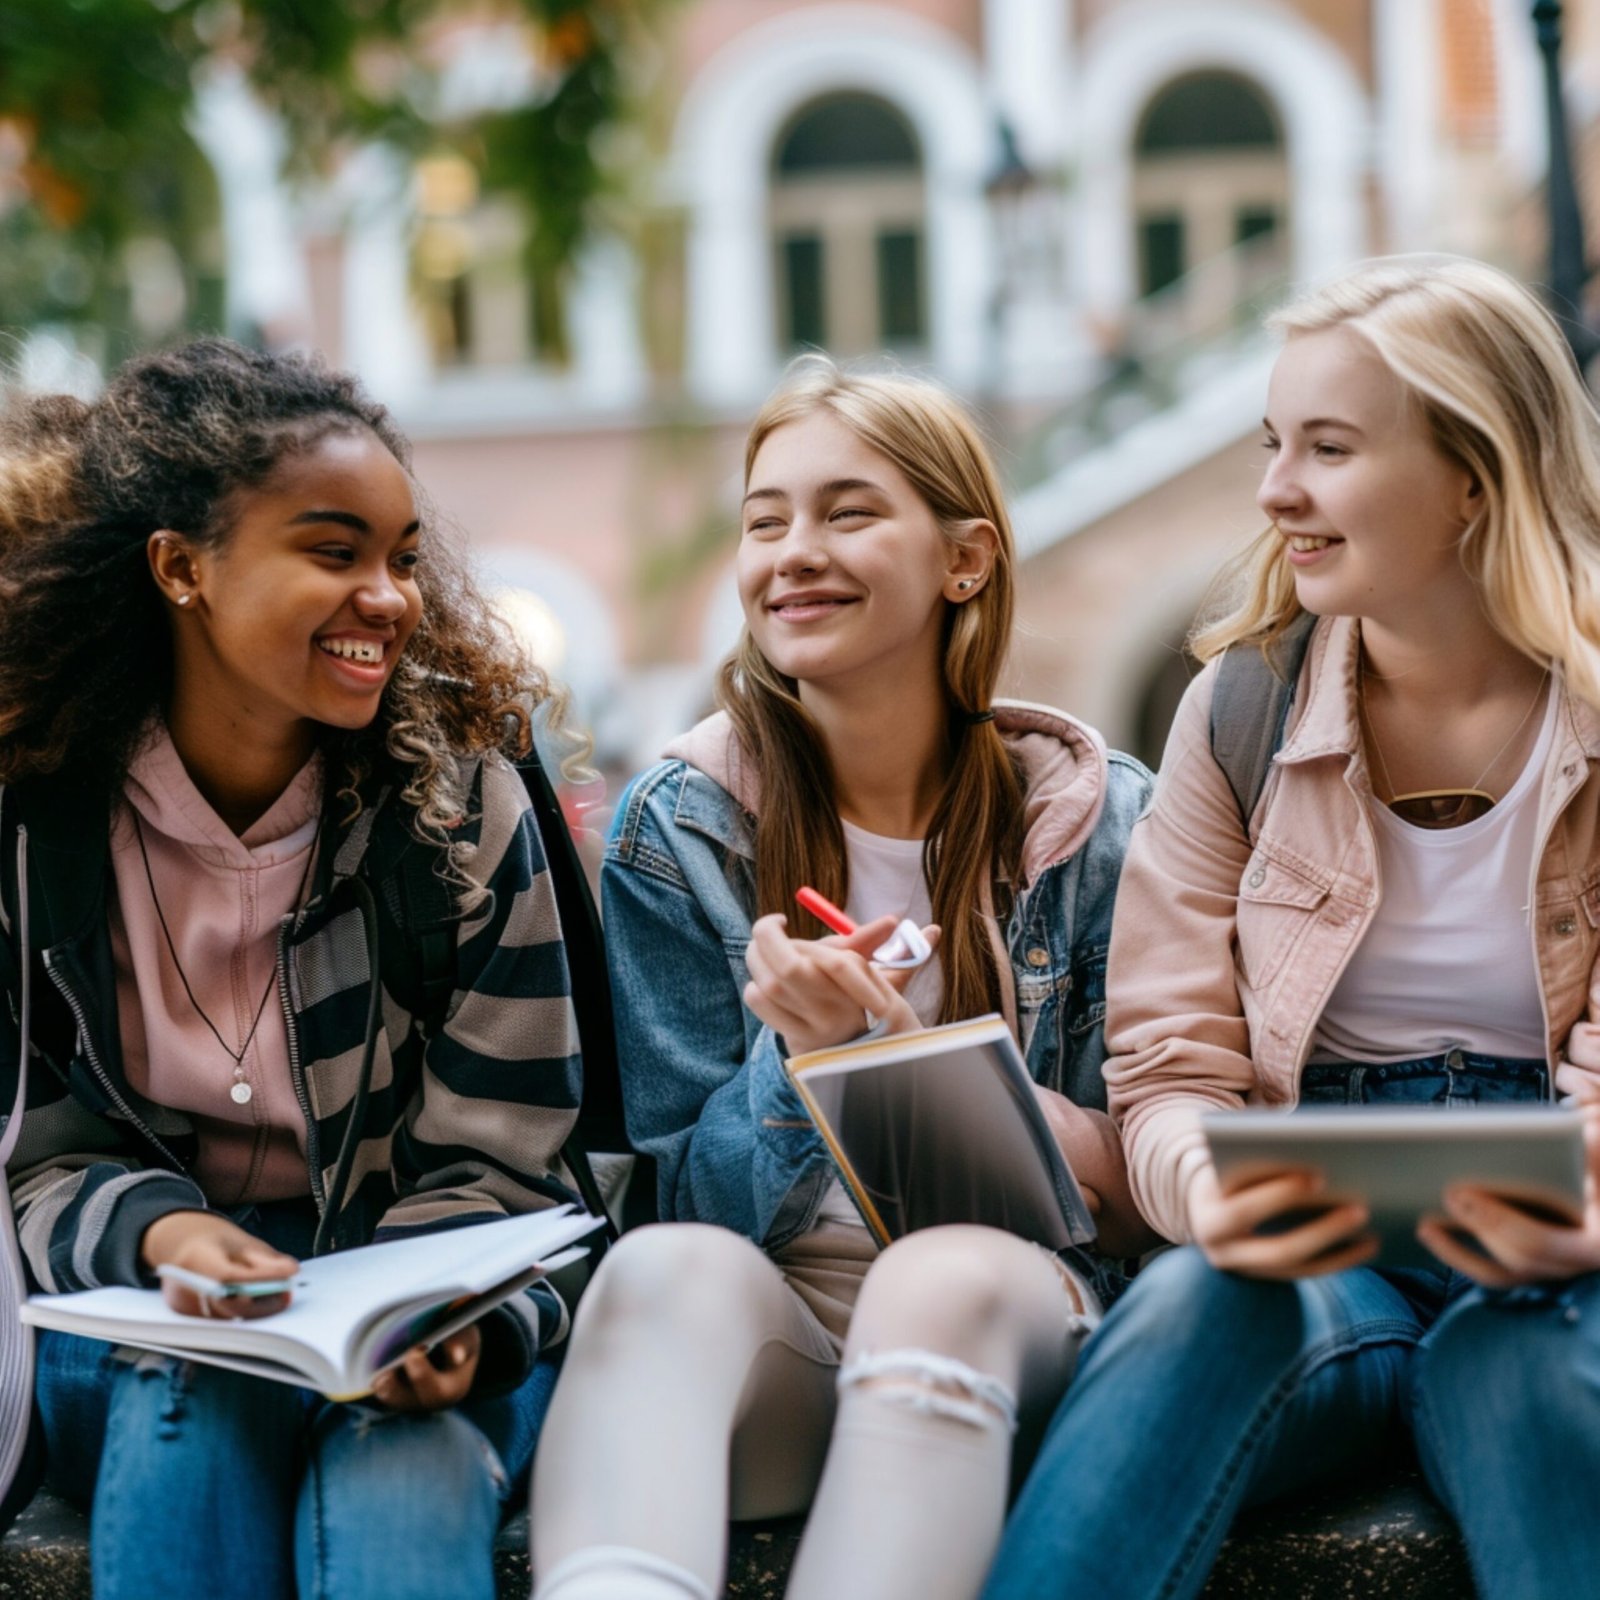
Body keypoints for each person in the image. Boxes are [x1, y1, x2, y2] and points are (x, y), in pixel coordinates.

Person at [983, 256, 1600, 1600]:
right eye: (1275, 444)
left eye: (1328, 448)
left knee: (1531, 1370)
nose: (1276, 491)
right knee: (1198, 1303)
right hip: (1328, 1250)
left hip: (1566, 1251)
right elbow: (1169, 1068)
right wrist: (1212, 1192)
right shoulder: (1241, 710)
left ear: (1475, 479)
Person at [530, 358, 1156, 1600]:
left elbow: (1147, 1184)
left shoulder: (1098, 820)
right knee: (654, 1274)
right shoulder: (683, 827)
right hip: (788, 1342)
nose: (791, 554)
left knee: (938, 1278)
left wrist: (933, 1089)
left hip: (1023, 1327)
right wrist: (800, 1065)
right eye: (766, 522)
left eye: (848, 512)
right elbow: (685, 1207)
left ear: (964, 557)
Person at [0, 339, 588, 1600]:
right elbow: (30, 1149)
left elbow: (513, 1158)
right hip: (133, 1311)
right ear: (181, 568)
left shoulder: (460, 811)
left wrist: (451, 1317)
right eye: (334, 552)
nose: (389, 596)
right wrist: (164, 1233)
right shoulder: (37, 826)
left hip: (428, 1287)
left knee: (398, 1455)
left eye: (403, 558)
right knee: (188, 1391)